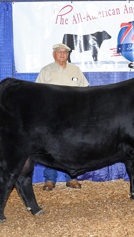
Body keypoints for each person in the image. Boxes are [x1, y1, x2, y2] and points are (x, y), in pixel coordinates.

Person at [35, 43, 89, 191]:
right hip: (52, 116)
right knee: (50, 147)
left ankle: (71, 177)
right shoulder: (46, 71)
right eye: (59, 51)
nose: (62, 54)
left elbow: (86, 91)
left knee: (72, 146)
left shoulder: (75, 70)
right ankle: (50, 179)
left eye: (65, 52)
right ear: (54, 54)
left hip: (72, 116)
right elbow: (37, 93)